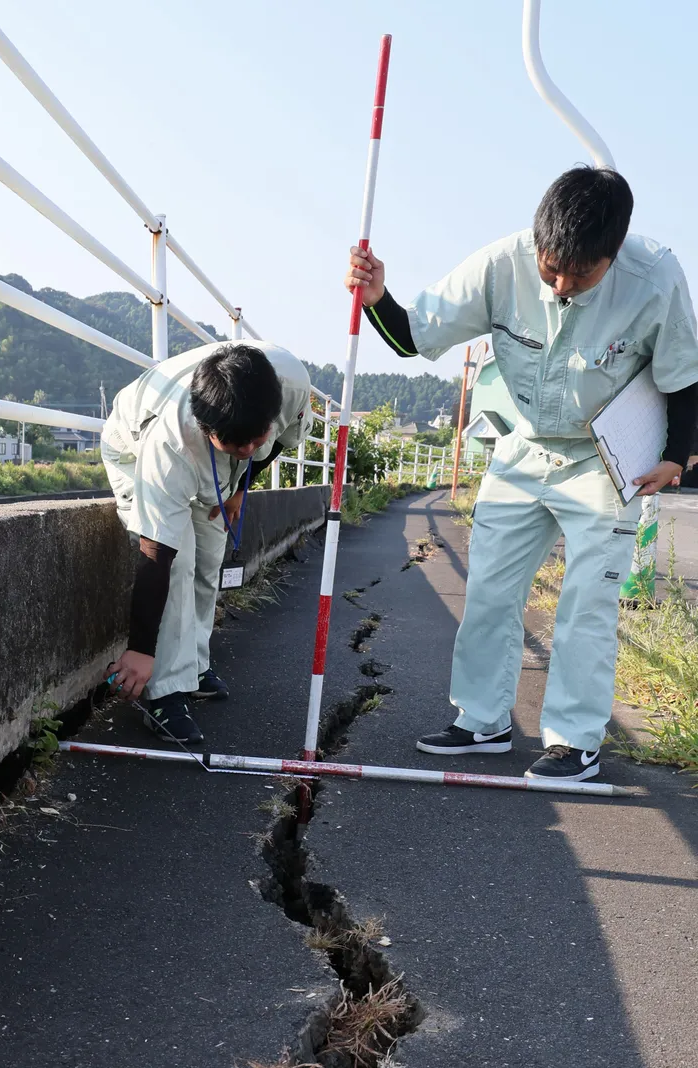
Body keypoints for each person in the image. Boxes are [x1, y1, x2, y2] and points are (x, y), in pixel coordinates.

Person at [347, 166, 698, 781]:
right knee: (488, 588)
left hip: (601, 456)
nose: (561, 285)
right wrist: (379, 296)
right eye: (550, 267)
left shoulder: (657, 277)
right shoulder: (500, 264)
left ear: (613, 255)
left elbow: (684, 373)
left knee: (586, 600)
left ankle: (574, 742)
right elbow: (414, 338)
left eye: (580, 274)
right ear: (538, 241)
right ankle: (483, 721)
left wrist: (677, 455)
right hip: (525, 446)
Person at [101, 340, 311, 745]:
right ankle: (164, 693)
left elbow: (278, 441)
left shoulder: (291, 384)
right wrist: (140, 649)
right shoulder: (169, 445)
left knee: (209, 556)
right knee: (180, 563)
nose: (251, 449)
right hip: (133, 449)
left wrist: (239, 488)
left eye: (256, 436)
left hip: (219, 468)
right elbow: (156, 555)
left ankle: (193, 666)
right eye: (238, 443)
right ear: (206, 428)